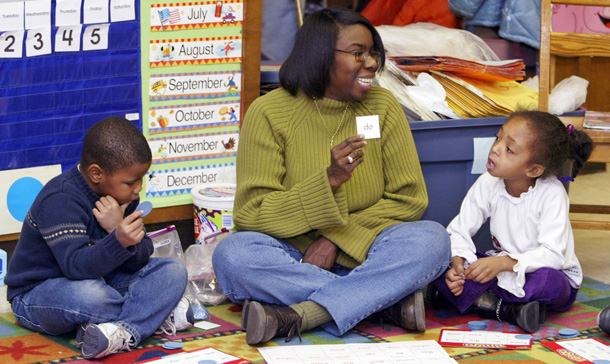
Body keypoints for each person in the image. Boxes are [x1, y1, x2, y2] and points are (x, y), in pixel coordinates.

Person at [211, 7, 451, 345]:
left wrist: (335, 240)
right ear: (322, 56)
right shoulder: (269, 112)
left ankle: (305, 313)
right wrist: (329, 182)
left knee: (432, 240)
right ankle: (384, 304)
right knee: (233, 256)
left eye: (373, 53)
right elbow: (252, 212)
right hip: (294, 256)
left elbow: (409, 199)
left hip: (368, 252)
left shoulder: (382, 106)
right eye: (358, 53)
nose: (371, 63)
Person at [5, 117, 194, 359]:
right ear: (96, 173)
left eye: (142, 178)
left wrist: (117, 228)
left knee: (172, 270)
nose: (138, 188)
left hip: (104, 281)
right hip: (39, 293)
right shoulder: (60, 199)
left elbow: (140, 258)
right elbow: (75, 267)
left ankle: (119, 331)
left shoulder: (122, 194)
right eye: (131, 181)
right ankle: (151, 313)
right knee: (93, 296)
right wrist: (118, 238)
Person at [427, 111, 593, 333]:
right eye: (498, 137)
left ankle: (479, 301)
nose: (496, 148)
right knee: (439, 262)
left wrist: (505, 263)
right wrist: (457, 263)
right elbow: (459, 229)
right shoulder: (488, 182)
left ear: (533, 169)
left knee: (548, 282)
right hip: (501, 271)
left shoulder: (552, 194)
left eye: (509, 149)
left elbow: (553, 255)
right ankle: (506, 309)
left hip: (546, 271)